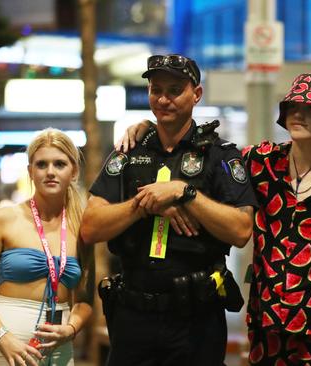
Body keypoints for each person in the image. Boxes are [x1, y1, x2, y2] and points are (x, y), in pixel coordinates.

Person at [80, 54, 257, 366]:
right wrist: (144, 205)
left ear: (196, 94)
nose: (163, 99)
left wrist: (183, 192)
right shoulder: (129, 151)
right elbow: (91, 227)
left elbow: (242, 230)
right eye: (155, 89)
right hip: (133, 317)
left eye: (175, 90)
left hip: (196, 320)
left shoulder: (220, 156)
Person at [243, 73, 311, 365]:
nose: (298, 113)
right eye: (293, 106)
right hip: (267, 319)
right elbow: (208, 157)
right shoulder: (260, 160)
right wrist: (146, 129)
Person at [0, 128, 94, 366]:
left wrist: (71, 329)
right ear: (30, 171)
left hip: (59, 351)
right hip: (4, 349)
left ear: (74, 171)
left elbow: (84, 300)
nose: (50, 172)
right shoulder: (3, 218)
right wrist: (3, 338)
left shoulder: (82, 226)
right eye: (42, 164)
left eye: (59, 164)